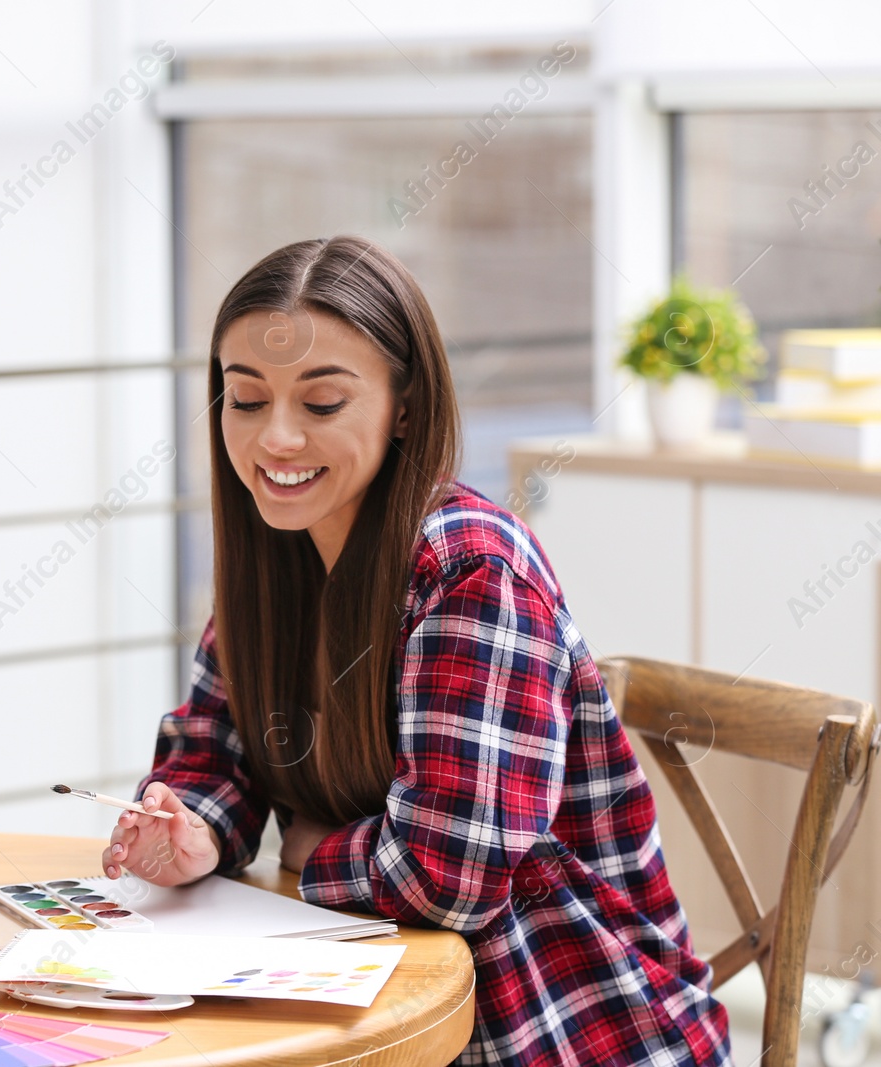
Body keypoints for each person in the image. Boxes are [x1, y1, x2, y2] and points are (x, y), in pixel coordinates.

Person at [102, 236, 731, 1065]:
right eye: (245, 400)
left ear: (404, 405)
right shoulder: (274, 552)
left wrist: (308, 849)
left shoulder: (472, 569)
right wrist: (196, 832)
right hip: (380, 990)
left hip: (566, 1023)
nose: (276, 439)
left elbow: (448, 874)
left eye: (322, 404)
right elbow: (216, 746)